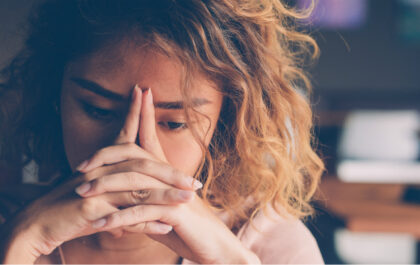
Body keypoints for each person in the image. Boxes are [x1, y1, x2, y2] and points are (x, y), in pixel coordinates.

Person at [0, 0, 325, 263]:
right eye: (98, 110)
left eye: (174, 122)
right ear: (54, 96)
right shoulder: (12, 229)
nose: (133, 151)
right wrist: (15, 250)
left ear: (226, 120)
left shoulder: (269, 245)